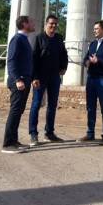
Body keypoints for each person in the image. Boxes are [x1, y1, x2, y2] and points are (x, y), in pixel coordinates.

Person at [28, 14, 69, 146]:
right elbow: (33, 58)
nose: (53, 26)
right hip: (40, 77)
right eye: (51, 23)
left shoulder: (58, 38)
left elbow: (63, 53)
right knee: (36, 104)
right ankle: (33, 134)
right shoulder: (39, 38)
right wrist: (34, 77)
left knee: (52, 105)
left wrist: (64, 67)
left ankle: (49, 133)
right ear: (46, 24)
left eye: (55, 24)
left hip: (54, 77)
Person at [78, 20, 103, 143]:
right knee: (90, 107)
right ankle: (90, 133)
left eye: (96, 28)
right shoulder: (93, 44)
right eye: (94, 28)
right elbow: (85, 58)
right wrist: (87, 62)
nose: (94, 30)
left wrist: (98, 61)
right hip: (91, 78)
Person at [2, 15, 35, 154]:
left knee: (19, 111)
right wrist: (18, 80)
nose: (34, 24)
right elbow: (11, 61)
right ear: (25, 24)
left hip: (25, 81)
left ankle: (14, 141)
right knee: (15, 111)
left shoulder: (24, 39)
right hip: (19, 82)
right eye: (31, 22)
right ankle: (8, 144)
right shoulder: (17, 39)